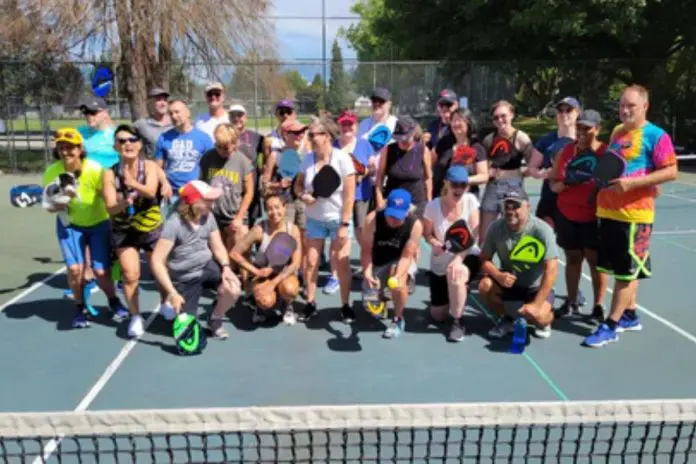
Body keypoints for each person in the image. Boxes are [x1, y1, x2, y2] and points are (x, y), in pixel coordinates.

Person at [583, 85, 678, 348]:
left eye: (631, 106)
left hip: (634, 217)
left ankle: (610, 325)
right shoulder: (617, 132)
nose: (624, 110)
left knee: (625, 274)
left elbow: (671, 171)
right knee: (616, 269)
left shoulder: (656, 136)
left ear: (645, 107)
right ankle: (630, 315)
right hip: (608, 211)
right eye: (622, 105)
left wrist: (634, 184)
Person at [43, 128, 128, 329]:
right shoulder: (52, 172)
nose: (66, 152)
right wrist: (61, 202)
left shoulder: (95, 169)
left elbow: (107, 196)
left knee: (100, 271)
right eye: (62, 148)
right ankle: (79, 308)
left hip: (98, 223)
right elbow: (48, 205)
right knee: (74, 269)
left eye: (71, 148)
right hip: (69, 225)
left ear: (80, 149)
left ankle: (113, 301)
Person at [150, 180, 242, 340]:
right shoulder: (174, 224)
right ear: (194, 201)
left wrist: (226, 267)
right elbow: (156, 261)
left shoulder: (209, 217)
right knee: (186, 334)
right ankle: (176, 306)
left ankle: (215, 319)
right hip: (185, 277)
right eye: (208, 200)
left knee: (234, 287)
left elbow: (218, 246)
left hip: (207, 266)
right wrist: (172, 293)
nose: (213, 203)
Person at [102, 125, 165, 338]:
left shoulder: (149, 166)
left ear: (139, 144)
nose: (127, 144)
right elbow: (110, 207)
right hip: (124, 228)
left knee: (159, 270)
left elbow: (149, 190)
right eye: (121, 141)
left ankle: (166, 303)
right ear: (115, 146)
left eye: (131, 139)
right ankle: (136, 316)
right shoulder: (109, 173)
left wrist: (132, 183)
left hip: (150, 225)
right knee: (130, 275)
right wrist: (124, 202)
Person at [293, 118, 356, 322]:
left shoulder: (342, 159)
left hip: (338, 219)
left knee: (342, 264)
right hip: (314, 220)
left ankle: (346, 305)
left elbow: (349, 195)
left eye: (313, 135)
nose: (309, 138)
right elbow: (297, 186)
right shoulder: (307, 159)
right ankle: (311, 303)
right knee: (311, 263)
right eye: (309, 135)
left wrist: (345, 225)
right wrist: (303, 196)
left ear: (326, 136)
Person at [549, 109, 608, 322]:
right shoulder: (566, 151)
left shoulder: (605, 153)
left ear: (598, 129)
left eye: (588, 128)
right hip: (567, 214)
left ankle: (598, 307)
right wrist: (568, 181)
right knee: (573, 258)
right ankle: (571, 302)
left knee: (595, 262)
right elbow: (554, 185)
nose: (582, 132)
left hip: (595, 217)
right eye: (579, 128)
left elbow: (613, 186)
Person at [479, 186, 558, 339]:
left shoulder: (542, 230)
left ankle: (545, 320)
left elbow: (552, 270)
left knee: (541, 317)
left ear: (528, 206)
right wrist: (498, 275)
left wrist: (536, 304)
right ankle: (508, 318)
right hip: (510, 284)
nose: (510, 211)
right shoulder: (496, 228)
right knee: (485, 286)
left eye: (516, 206)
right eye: (507, 206)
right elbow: (484, 259)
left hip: (535, 287)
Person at [422, 166, 480, 342]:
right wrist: (435, 243)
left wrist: (458, 259)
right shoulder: (433, 206)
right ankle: (456, 294)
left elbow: (474, 235)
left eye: (463, 185)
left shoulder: (470, 201)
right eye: (455, 184)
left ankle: (458, 321)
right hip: (440, 260)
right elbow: (427, 234)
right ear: (446, 183)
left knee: (456, 273)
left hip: (467, 254)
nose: (459, 189)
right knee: (438, 315)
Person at [230, 194, 303, 325]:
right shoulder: (259, 229)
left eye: (277, 207)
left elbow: (295, 263)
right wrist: (256, 272)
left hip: (283, 273)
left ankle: (286, 305)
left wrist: (273, 283)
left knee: (290, 289)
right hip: (262, 274)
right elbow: (234, 253)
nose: (274, 212)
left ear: (284, 208)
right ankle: (260, 307)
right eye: (269, 209)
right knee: (266, 301)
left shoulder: (293, 230)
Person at [361, 189, 423, 339]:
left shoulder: (415, 225)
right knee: (372, 305)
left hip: (400, 259)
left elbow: (406, 257)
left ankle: (398, 318)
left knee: (398, 284)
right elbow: (366, 250)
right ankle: (382, 294)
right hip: (378, 260)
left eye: (398, 216)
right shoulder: (372, 219)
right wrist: (367, 273)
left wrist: (397, 276)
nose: (394, 220)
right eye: (391, 215)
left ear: (407, 212)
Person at [479, 100, 541, 245]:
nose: (500, 120)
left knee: (516, 231)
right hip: (493, 187)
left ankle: (514, 266)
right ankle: (484, 266)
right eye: (496, 117)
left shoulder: (521, 138)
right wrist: (489, 171)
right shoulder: (489, 140)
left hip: (513, 188)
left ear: (512, 115)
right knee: (485, 234)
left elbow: (534, 164)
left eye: (503, 116)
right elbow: (483, 165)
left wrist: (519, 174)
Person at [199, 123, 255, 252]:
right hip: (213, 214)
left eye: (226, 148)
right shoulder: (208, 157)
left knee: (240, 251)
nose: (222, 151)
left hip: (234, 214)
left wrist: (239, 217)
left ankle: (244, 273)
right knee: (219, 253)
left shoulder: (243, 161)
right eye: (219, 147)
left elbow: (249, 192)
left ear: (234, 144)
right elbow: (201, 183)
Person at [528, 97, 580, 227]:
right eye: (560, 111)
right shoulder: (546, 140)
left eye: (568, 110)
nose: (564, 114)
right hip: (550, 196)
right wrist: (541, 174)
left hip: (575, 197)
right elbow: (532, 167)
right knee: (544, 236)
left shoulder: (583, 140)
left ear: (577, 113)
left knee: (571, 243)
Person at [154, 99, 214, 209]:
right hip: (172, 195)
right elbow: (157, 167)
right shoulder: (164, 138)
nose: (174, 116)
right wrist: (164, 183)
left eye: (177, 112)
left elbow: (211, 168)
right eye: (171, 113)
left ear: (187, 113)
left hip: (196, 195)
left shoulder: (204, 138)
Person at [375, 115, 433, 218]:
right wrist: (379, 200)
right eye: (399, 139)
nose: (402, 142)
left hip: (416, 204)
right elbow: (379, 177)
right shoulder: (388, 150)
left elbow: (428, 178)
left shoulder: (423, 150)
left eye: (406, 139)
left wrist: (429, 202)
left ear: (413, 134)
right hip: (393, 205)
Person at [432, 108, 488, 199]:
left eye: (459, 120)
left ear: (468, 123)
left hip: (465, 197)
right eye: (453, 120)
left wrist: (462, 180)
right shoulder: (444, 142)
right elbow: (430, 162)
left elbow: (484, 176)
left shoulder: (476, 146)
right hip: (441, 196)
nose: (456, 123)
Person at [229, 102, 268, 226]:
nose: (236, 119)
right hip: (231, 193)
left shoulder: (257, 138)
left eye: (239, 115)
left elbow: (268, 155)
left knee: (250, 229)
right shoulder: (225, 137)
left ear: (246, 117)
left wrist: (263, 172)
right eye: (233, 115)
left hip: (251, 192)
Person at [77, 96, 119, 169]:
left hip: (113, 177)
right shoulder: (78, 133)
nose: (89, 116)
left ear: (105, 113)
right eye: (86, 112)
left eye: (93, 112)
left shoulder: (118, 134)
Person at [133, 87, 174, 158]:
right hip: (152, 167)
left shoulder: (176, 123)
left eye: (165, 100)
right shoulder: (141, 124)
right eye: (158, 100)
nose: (163, 103)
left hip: (174, 167)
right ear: (150, 103)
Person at [425, 88, 459, 153]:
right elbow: (428, 148)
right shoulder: (433, 126)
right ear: (437, 106)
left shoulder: (461, 125)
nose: (444, 108)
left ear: (456, 105)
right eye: (441, 105)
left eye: (448, 104)